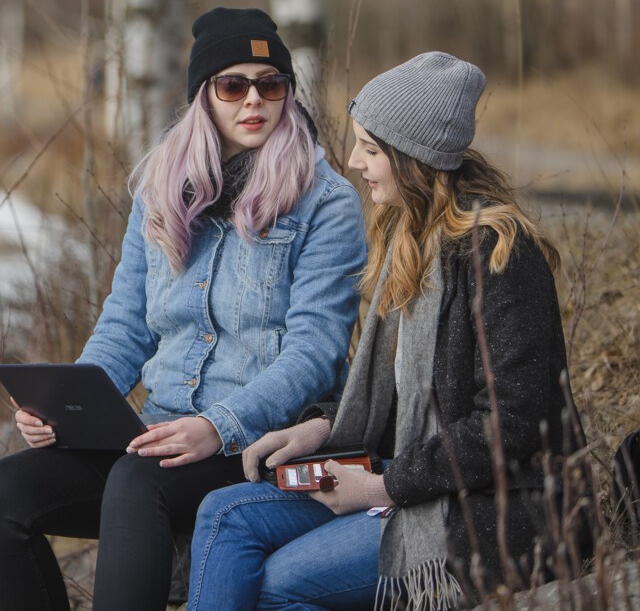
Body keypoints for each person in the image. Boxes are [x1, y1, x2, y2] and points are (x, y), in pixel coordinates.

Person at [0, 7, 367, 611]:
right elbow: (127, 323)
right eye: (234, 85)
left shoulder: (325, 202)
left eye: (272, 84)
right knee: (0, 494)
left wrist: (217, 426)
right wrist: (68, 407)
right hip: (157, 432)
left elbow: (315, 353)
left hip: (251, 443)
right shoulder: (160, 189)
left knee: (138, 480)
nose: (254, 100)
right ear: (203, 96)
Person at [186, 51, 581, 610]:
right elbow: (404, 398)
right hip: (413, 472)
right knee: (224, 515)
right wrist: (320, 430)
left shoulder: (496, 253)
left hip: (496, 505)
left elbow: (509, 423)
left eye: (370, 149)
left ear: (414, 158)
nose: (352, 161)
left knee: (274, 587)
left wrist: (379, 490)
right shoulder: (409, 239)